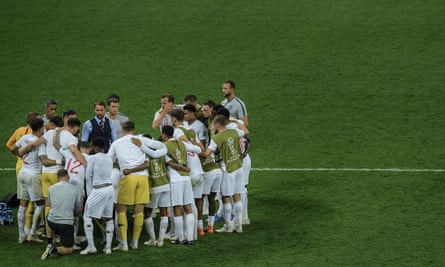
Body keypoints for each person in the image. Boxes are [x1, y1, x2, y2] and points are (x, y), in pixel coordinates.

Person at [107, 121, 151, 251]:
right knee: (139, 210)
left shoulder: (116, 143)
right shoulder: (142, 140)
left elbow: (109, 160)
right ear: (134, 129)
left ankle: (124, 244)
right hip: (143, 177)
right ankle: (135, 242)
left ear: (122, 129)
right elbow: (147, 162)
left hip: (128, 177)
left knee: (121, 209)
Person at [200, 115, 248, 233]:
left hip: (228, 169)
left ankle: (228, 226)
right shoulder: (234, 131)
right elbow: (246, 131)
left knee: (226, 197)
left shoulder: (217, 137)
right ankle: (238, 225)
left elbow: (207, 154)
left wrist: (196, 149)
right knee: (237, 196)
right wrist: (236, 121)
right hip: (239, 167)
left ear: (217, 125)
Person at [162, 125, 201, 245]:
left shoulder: (164, 146)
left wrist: (182, 167)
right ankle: (190, 238)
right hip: (186, 178)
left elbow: (171, 164)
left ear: (164, 135)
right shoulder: (183, 144)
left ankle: (180, 238)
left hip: (175, 179)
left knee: (177, 208)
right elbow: (198, 150)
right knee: (188, 207)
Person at [9, 118, 45, 243]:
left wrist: (20, 156)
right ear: (40, 128)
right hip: (33, 174)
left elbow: (12, 148)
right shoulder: (40, 142)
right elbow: (43, 159)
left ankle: (21, 235)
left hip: (22, 173)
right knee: (40, 204)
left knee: (23, 204)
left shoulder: (25, 137)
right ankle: (32, 233)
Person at [130, 134, 169, 248]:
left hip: (154, 186)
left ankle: (153, 239)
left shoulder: (144, 154)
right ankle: (161, 240)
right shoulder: (161, 151)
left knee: (147, 213)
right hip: (166, 184)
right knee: (164, 212)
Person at [81, 137, 114, 255]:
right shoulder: (110, 158)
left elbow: (88, 176)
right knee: (109, 218)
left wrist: (89, 194)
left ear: (94, 146)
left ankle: (91, 246)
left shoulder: (93, 159)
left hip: (98, 189)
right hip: (110, 189)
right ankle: (108, 247)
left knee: (87, 216)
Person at [40, 169, 82, 260]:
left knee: (48, 216)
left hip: (52, 222)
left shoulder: (51, 188)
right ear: (68, 177)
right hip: (66, 224)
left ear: (57, 178)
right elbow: (78, 209)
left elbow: (50, 204)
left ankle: (50, 241)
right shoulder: (75, 190)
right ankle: (54, 249)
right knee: (69, 249)